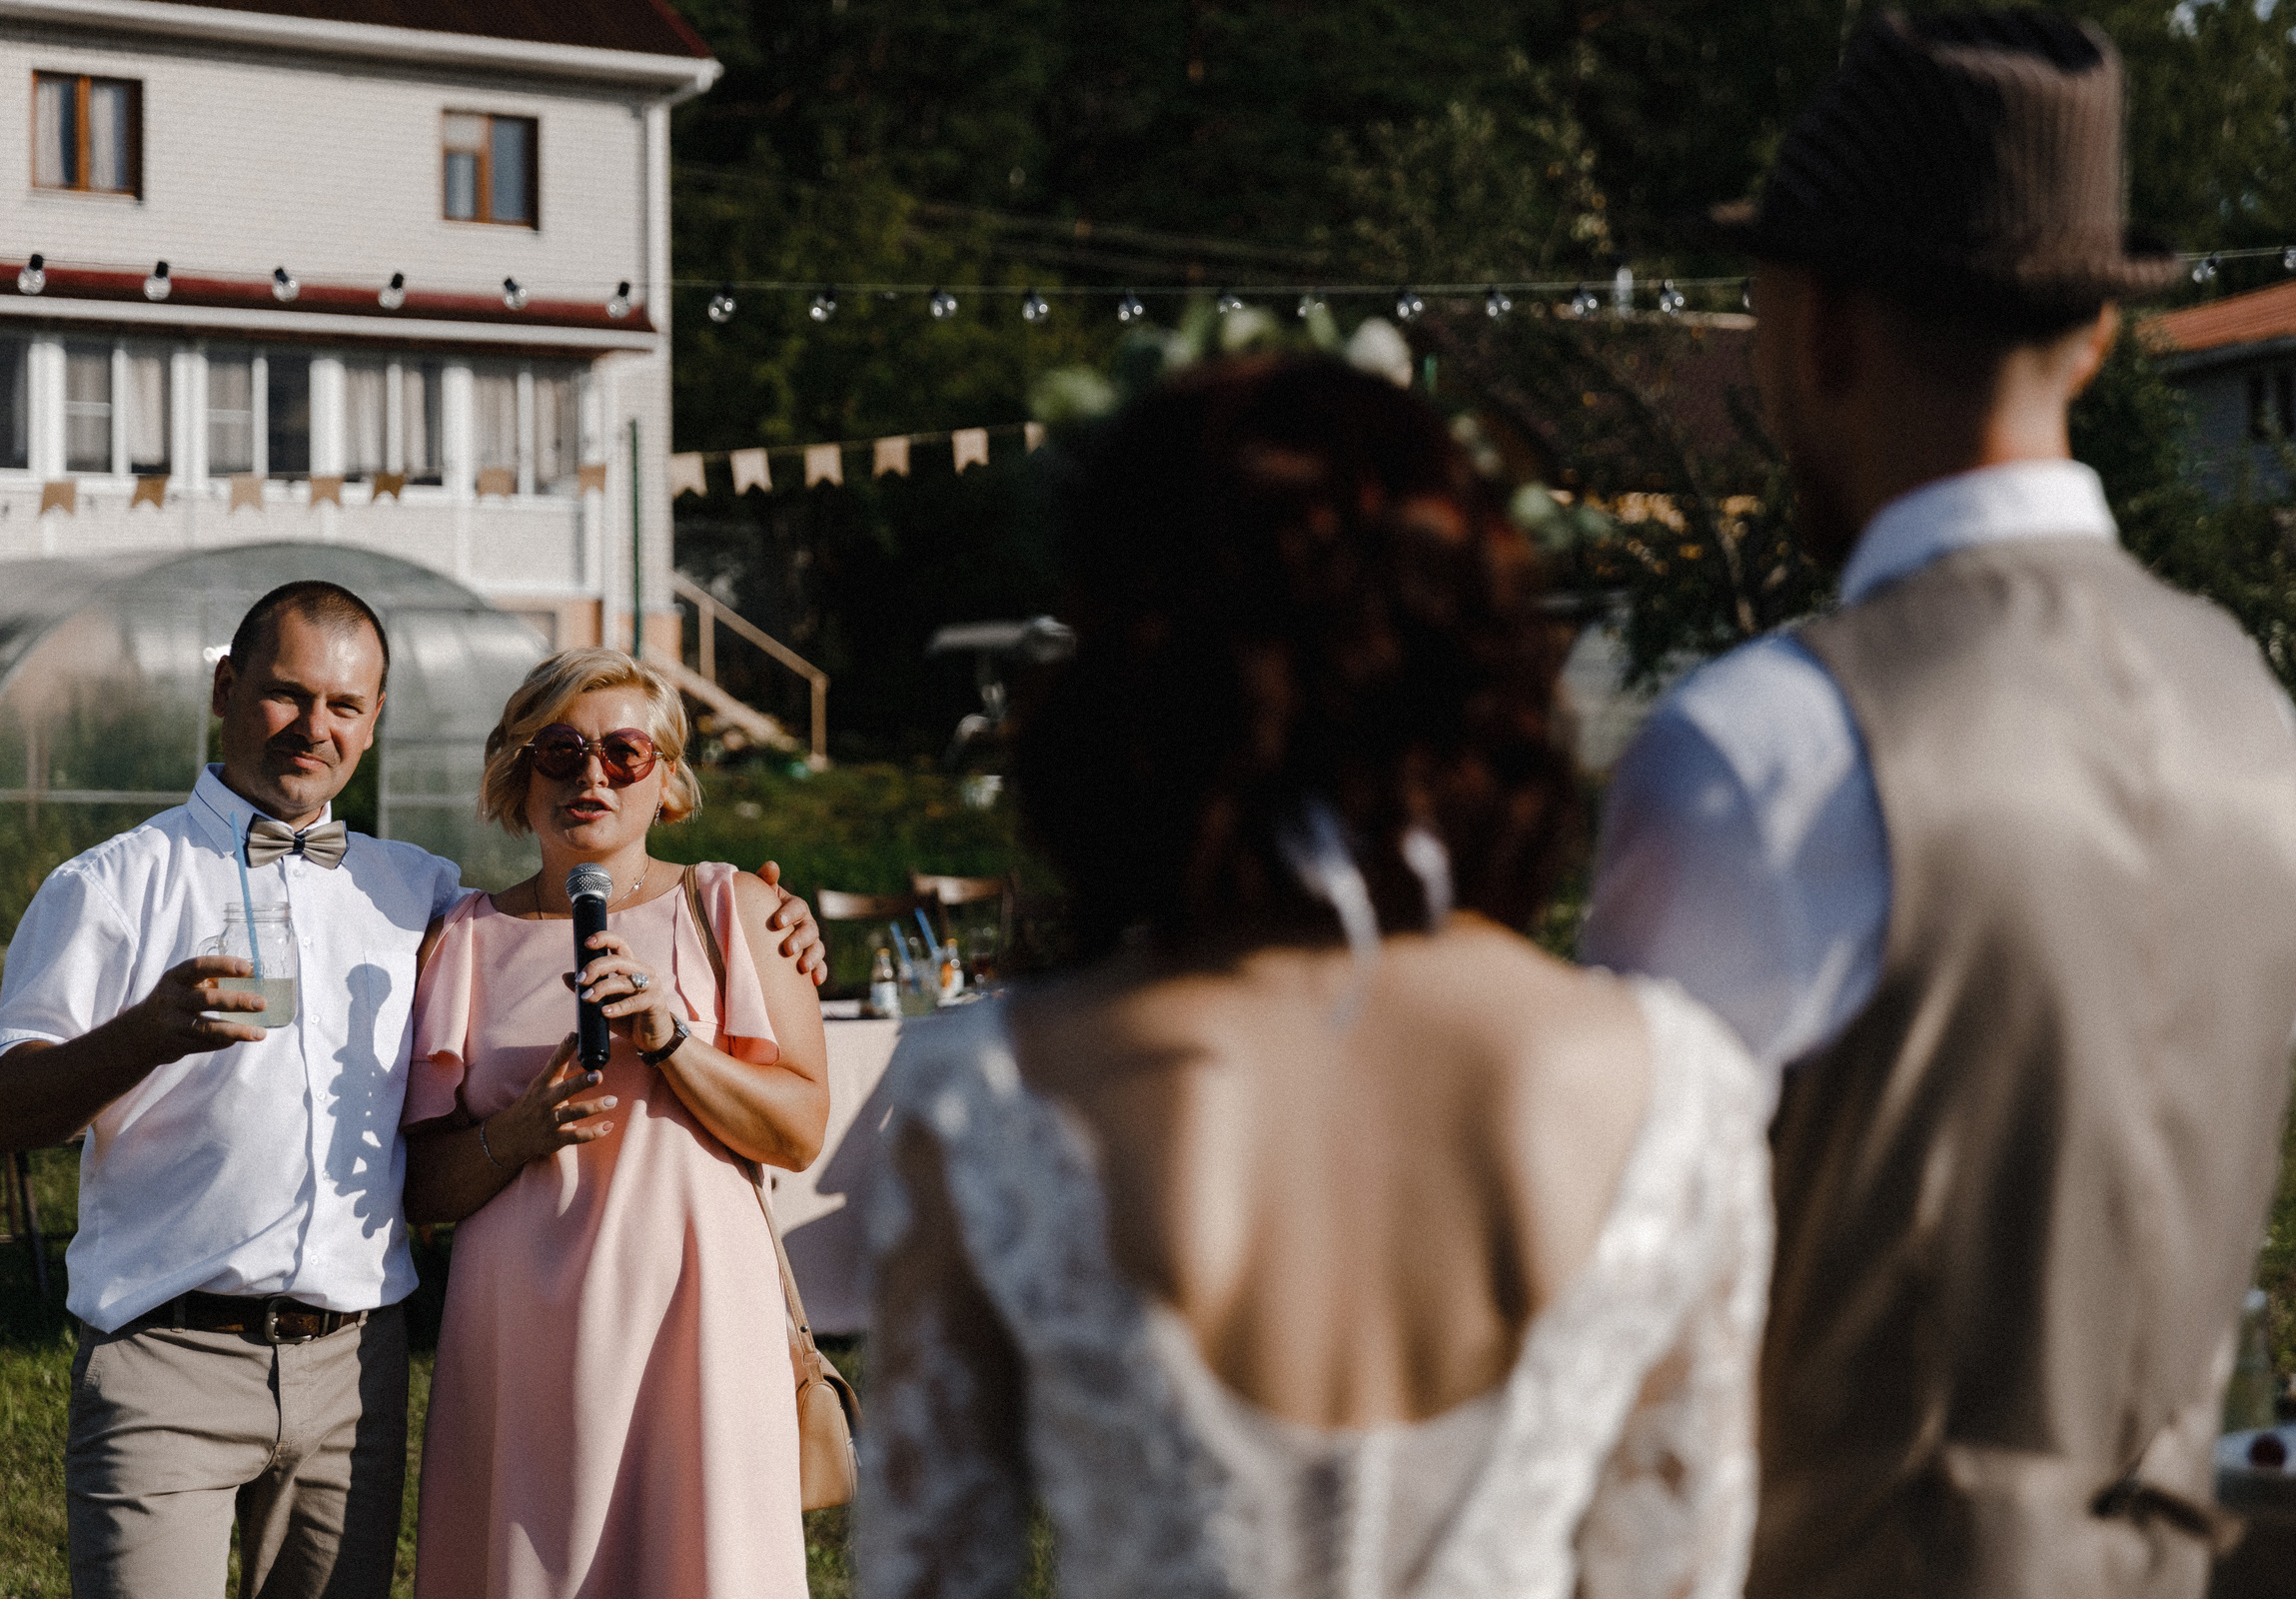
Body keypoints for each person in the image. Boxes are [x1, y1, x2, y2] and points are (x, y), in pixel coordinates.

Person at [1582, 13, 2296, 1597]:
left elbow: (1612, 1326)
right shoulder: (2259, 727)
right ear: (2099, 336)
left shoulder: (1759, 755)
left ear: (1824, 324)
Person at [858, 357, 1771, 1596]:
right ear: (1482, 660)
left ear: (1122, 674)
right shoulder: (1670, 1086)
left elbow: (930, 1573)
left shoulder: (999, 1092)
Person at [0, 583, 829, 1599]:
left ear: (375, 721)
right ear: (225, 688)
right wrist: (144, 1033)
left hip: (353, 1369)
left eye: (345, 706)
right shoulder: (112, 884)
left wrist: (779, 919)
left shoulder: (417, 893)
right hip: (172, 1350)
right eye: (286, 695)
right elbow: (13, 1106)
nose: (315, 727)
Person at [401, 647, 830, 1599]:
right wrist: (517, 1133)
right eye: (560, 752)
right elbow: (417, 1189)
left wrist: (675, 1041)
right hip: (522, 1337)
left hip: (699, 1324)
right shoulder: (462, 939)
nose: (591, 775)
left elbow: (799, 1130)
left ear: (667, 780)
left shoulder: (738, 908)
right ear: (519, 776)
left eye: (624, 753)